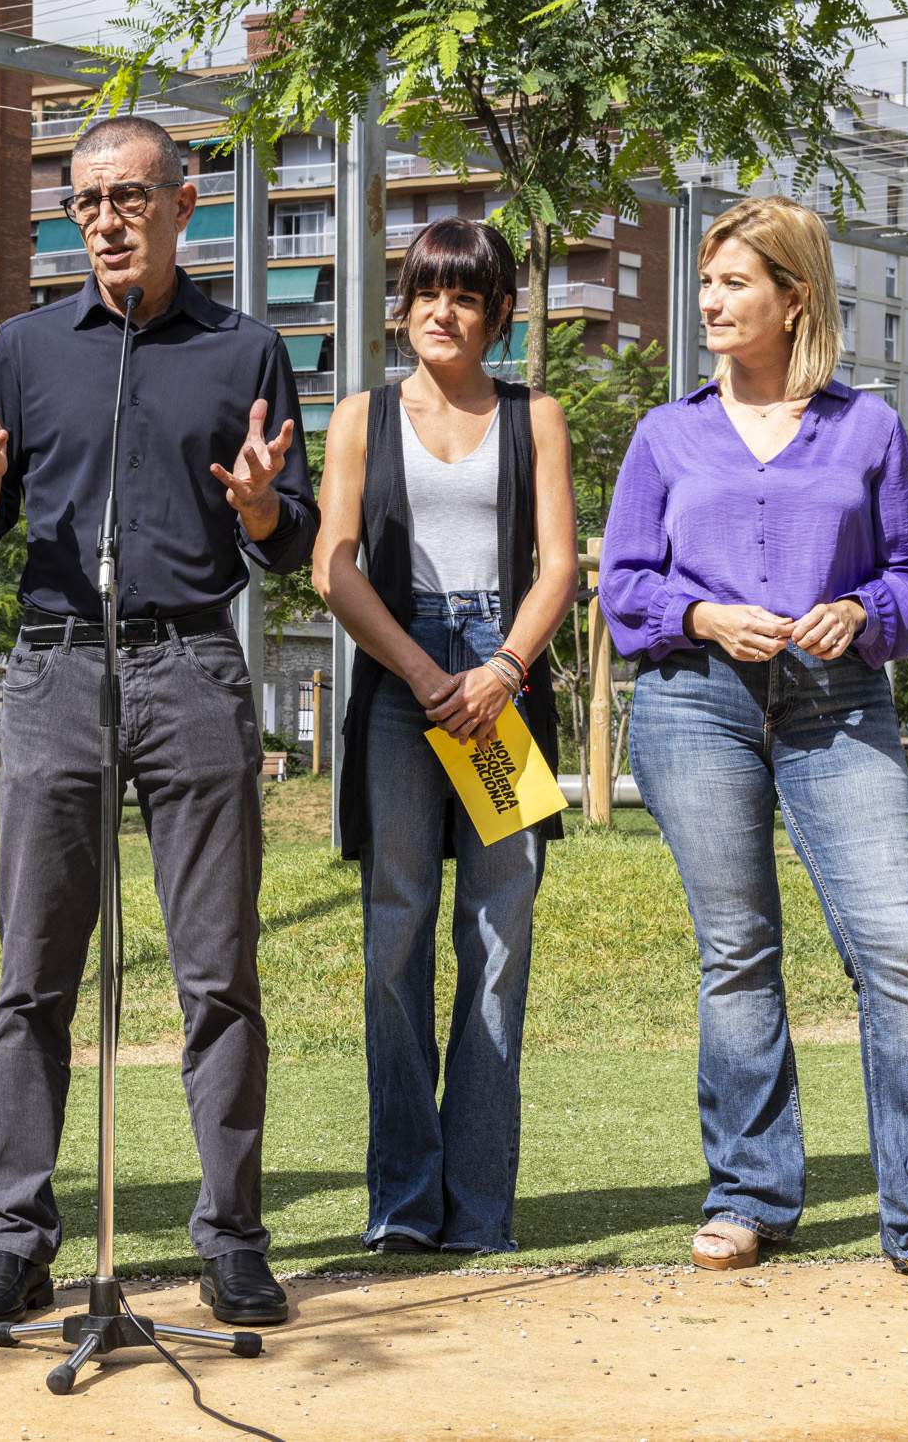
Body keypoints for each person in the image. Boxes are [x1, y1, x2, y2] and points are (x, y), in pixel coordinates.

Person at [0, 115, 318, 1330]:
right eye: (83, 201)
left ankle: (231, 1236)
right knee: (31, 973)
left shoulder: (244, 347)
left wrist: (259, 507)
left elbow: (295, 537)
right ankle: (16, 1240)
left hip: (192, 667)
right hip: (54, 669)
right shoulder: (28, 348)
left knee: (218, 972)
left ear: (180, 202)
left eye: (126, 196)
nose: (103, 219)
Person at [600, 194, 908, 1292]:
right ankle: (749, 1195)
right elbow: (623, 586)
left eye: (734, 281)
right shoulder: (665, 431)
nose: (711, 300)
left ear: (792, 294)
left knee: (895, 950)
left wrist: (860, 609)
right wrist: (704, 615)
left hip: (839, 706)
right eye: (708, 282)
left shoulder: (866, 427)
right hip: (696, 705)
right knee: (737, 954)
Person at [312, 219, 575, 1255]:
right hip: (399, 675)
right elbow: (334, 564)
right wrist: (424, 673)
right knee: (395, 933)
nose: (440, 311)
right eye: (425, 290)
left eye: (465, 296)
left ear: (497, 313)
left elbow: (558, 563)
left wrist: (502, 670)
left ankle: (478, 1206)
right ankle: (403, 1203)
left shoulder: (535, 415)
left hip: (501, 675)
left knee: (498, 940)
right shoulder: (359, 416)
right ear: (403, 302)